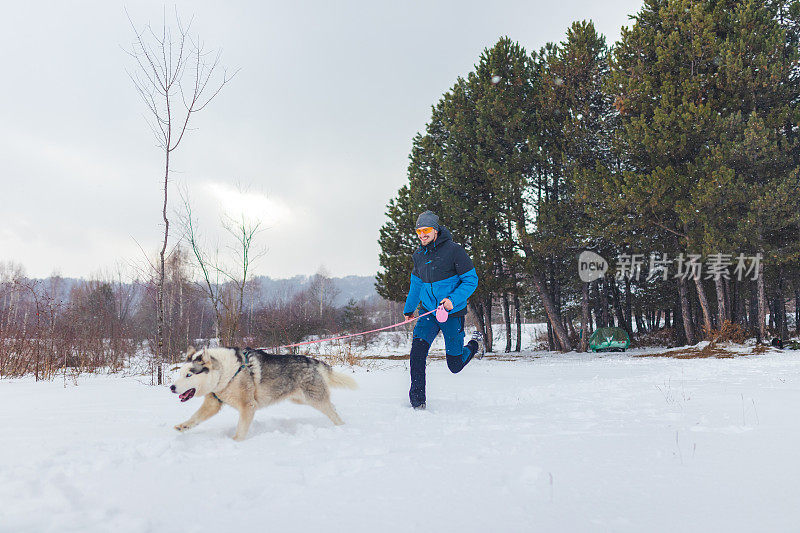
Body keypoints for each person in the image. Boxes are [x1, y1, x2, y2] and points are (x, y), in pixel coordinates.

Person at [403, 210, 482, 410]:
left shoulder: (454, 251)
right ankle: (418, 402)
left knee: (454, 366)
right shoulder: (419, 255)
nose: (422, 235)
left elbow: (471, 280)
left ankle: (473, 345)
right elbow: (416, 285)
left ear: (436, 230)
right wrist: (410, 309)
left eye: (426, 230)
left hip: (451, 314)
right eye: (419, 231)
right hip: (428, 314)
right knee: (417, 354)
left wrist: (452, 300)